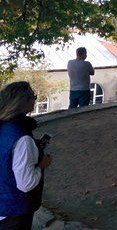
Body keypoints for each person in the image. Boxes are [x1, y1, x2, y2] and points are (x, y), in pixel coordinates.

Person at [0, 81, 53, 229]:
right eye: (34, 97)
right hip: (13, 212)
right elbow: (26, 183)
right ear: (24, 102)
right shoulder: (22, 138)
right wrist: (42, 165)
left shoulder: (3, 126)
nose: (35, 100)